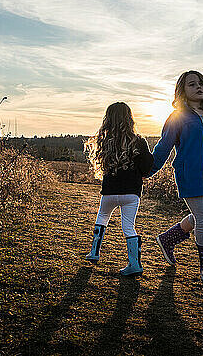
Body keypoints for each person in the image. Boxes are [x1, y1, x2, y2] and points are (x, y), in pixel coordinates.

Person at [147, 71, 203, 283]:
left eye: (201, 83)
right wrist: (147, 171)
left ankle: (167, 239)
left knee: (200, 218)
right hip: (188, 175)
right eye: (191, 84)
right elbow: (163, 148)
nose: (198, 87)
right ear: (182, 91)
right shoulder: (178, 118)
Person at [84, 102, 154, 276]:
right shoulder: (139, 141)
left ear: (108, 119)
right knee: (128, 227)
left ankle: (94, 252)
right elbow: (146, 168)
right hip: (131, 193)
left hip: (109, 192)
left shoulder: (104, 141)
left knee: (102, 217)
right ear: (129, 118)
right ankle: (134, 264)